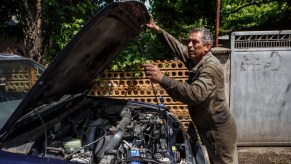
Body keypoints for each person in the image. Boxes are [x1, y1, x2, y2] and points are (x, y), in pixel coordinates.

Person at [143, 17, 238, 164]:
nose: (189, 45)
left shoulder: (210, 67)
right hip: (207, 126)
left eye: (195, 42)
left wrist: (162, 78)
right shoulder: (197, 59)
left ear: (207, 47)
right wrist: (158, 30)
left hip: (218, 131)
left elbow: (195, 94)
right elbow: (177, 47)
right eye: (189, 41)